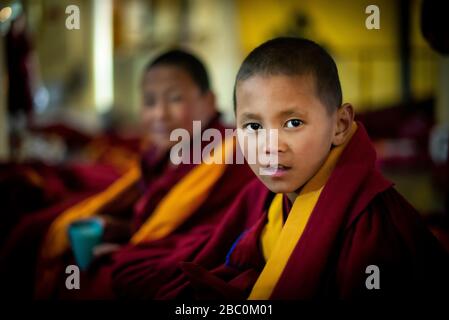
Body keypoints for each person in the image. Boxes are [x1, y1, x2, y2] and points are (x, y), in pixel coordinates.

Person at [112, 38, 449, 300]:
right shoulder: (264, 191)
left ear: (341, 123)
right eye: (253, 126)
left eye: (292, 122)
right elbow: (217, 255)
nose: (270, 146)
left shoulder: (374, 229)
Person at [31, 49, 254, 299]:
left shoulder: (233, 154)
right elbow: (157, 215)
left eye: (175, 98)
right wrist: (122, 229)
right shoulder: (162, 153)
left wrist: (130, 244)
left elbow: (218, 233)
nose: (159, 113)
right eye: (149, 102)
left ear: (209, 101)